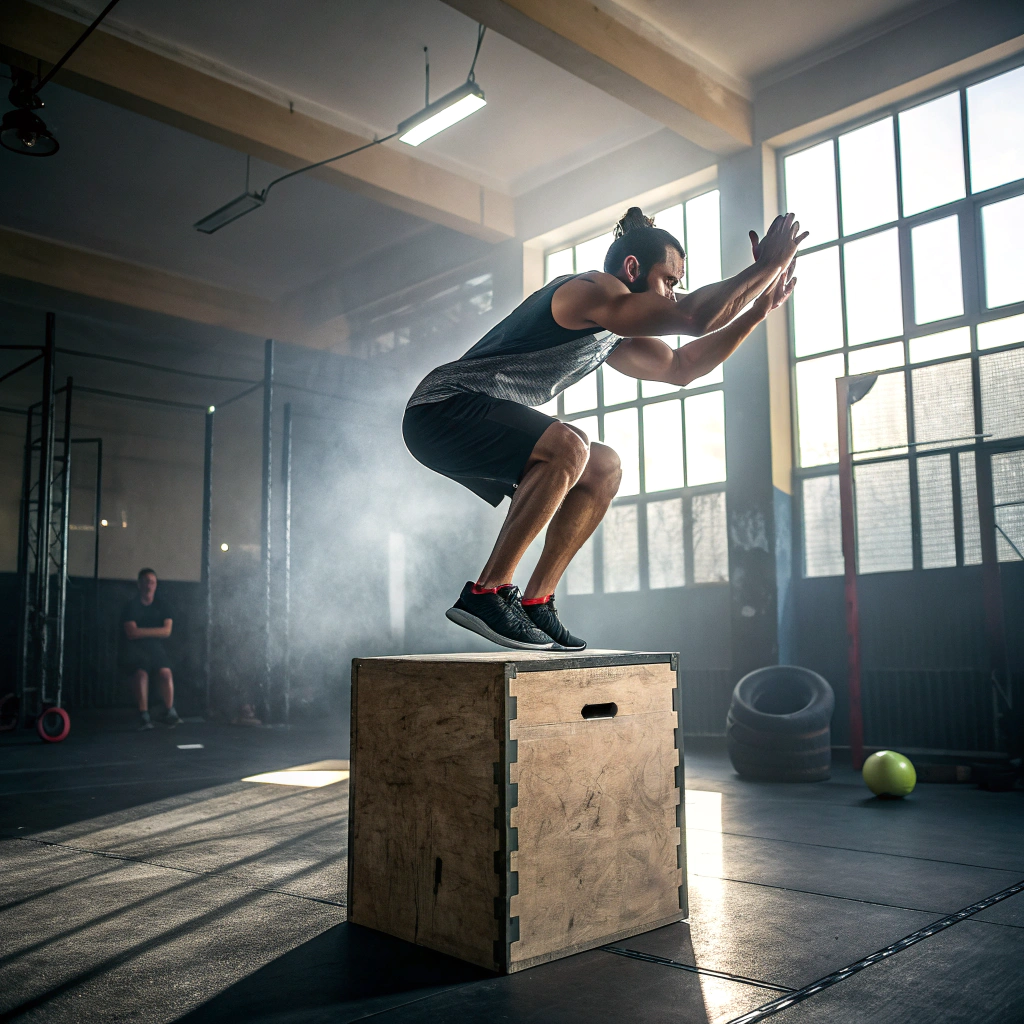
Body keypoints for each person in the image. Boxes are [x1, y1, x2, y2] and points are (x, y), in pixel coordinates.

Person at [403, 208, 806, 652]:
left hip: (471, 416)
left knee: (603, 466)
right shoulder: (591, 291)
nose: (673, 296)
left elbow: (681, 366)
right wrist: (768, 267)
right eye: (669, 281)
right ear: (632, 268)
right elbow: (693, 318)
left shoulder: (613, 331)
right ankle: (486, 593)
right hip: (441, 408)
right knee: (569, 445)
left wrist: (754, 314)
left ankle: (536, 601)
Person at [120, 568, 181, 729]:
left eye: (152, 582)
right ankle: (144, 715)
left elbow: (167, 631)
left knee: (166, 673)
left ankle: (170, 711)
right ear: (139, 584)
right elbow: (131, 633)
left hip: (156, 648)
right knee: (141, 674)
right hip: (135, 648)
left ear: (156, 585)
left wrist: (142, 631)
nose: (149, 585)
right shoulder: (131, 606)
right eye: (146, 582)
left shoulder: (163, 605)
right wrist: (155, 631)